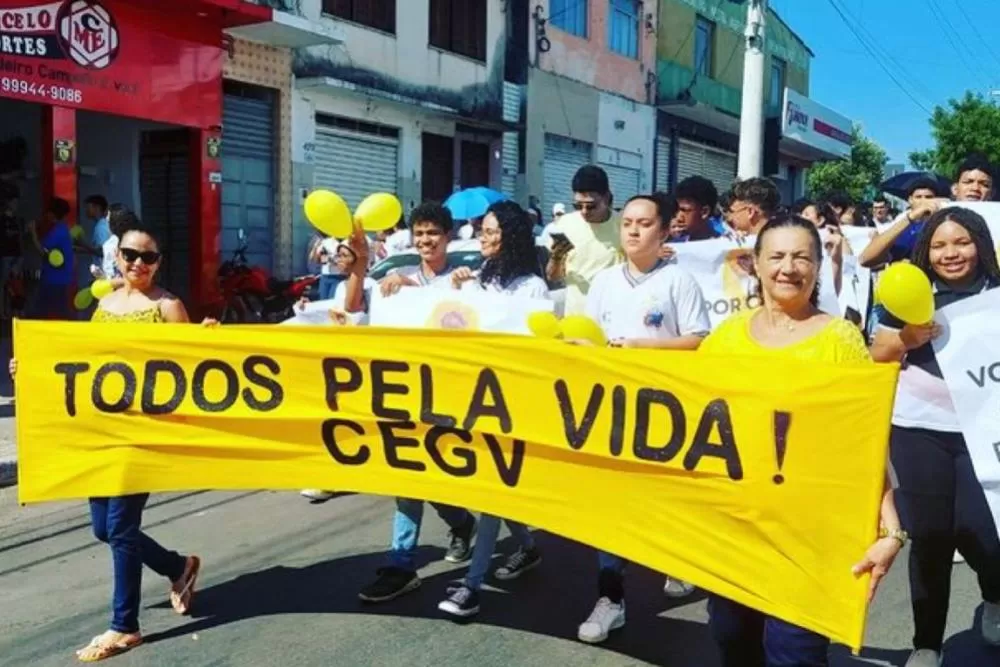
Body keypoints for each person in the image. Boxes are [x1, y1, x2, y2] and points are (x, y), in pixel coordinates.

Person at [699, 213, 905, 666]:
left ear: (817, 265)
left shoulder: (840, 340)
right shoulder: (725, 338)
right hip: (733, 530)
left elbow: (865, 443)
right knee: (733, 643)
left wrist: (890, 528)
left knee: (795, 655)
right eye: (776, 256)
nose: (788, 268)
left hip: (809, 539)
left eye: (801, 257)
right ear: (754, 263)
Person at [9, 221, 203, 662]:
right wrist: (33, 369)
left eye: (148, 257)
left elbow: (196, 367)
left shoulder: (169, 306)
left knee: (118, 527)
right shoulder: (105, 306)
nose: (138, 264)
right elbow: (82, 362)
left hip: (144, 433)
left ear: (159, 263)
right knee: (105, 528)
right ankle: (179, 566)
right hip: (103, 431)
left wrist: (208, 338)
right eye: (131, 255)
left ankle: (124, 626)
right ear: (117, 257)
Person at [574, 193, 712, 644]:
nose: (634, 230)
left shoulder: (679, 281)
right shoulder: (605, 282)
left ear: (665, 230)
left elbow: (698, 341)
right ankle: (610, 599)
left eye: (644, 223)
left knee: (666, 499)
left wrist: (641, 348)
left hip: (667, 413)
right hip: (612, 412)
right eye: (628, 223)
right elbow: (587, 340)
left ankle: (679, 557)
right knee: (610, 507)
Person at [870, 207, 1000, 667]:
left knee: (983, 532)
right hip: (917, 427)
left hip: (982, 430)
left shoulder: (997, 292)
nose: (951, 253)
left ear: (980, 245)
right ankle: (927, 641)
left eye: (961, 242)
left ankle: (994, 594)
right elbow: (877, 352)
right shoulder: (910, 292)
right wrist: (907, 337)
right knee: (928, 535)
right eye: (940, 245)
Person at [343, 203, 479, 603]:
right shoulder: (396, 279)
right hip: (404, 396)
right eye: (419, 233)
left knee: (429, 472)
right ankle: (402, 562)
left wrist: (455, 289)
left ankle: (460, 522)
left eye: (433, 233)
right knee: (407, 476)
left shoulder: (465, 279)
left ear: (448, 237)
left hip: (449, 397)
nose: (425, 241)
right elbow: (353, 309)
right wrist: (373, 276)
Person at [437, 201, 548, 618]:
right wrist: (456, 290)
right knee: (495, 489)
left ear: (512, 236)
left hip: (512, 403)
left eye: (490, 231)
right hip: (472, 399)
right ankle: (529, 546)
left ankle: (472, 583)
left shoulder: (530, 289)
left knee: (491, 491)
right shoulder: (476, 280)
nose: (481, 237)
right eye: (481, 230)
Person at [299, 240, 378, 503]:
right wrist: (307, 310)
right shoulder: (341, 285)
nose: (338, 259)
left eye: (345, 255)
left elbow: (354, 313)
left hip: (365, 363)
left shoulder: (371, 286)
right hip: (342, 361)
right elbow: (335, 315)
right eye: (338, 255)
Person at [546, 165, 622, 315]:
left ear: (606, 198)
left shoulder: (623, 225)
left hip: (612, 314)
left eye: (591, 206)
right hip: (575, 316)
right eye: (577, 205)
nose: (584, 212)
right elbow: (553, 277)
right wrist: (556, 257)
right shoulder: (565, 224)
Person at [858, 178, 943, 269]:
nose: (924, 201)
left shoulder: (944, 226)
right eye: (918, 197)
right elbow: (865, 259)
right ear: (910, 200)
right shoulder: (903, 228)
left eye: (929, 197)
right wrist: (910, 218)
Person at [27, 197, 75, 320]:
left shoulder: (57, 231)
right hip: (60, 277)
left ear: (52, 214)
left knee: (42, 310)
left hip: (53, 278)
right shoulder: (63, 229)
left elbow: (42, 251)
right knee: (57, 309)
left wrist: (33, 232)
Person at [671, 175, 728, 241]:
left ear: (704, 212)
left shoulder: (725, 245)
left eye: (685, 210)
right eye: (676, 210)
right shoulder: (673, 246)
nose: (678, 218)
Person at [90, 205, 130, 286]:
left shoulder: (110, 244)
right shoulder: (136, 238)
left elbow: (110, 274)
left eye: (108, 220)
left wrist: (103, 278)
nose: (106, 222)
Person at [0, 182, 22, 319]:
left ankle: (13, 310)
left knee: (14, 284)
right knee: (3, 284)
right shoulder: (2, 219)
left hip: (16, 255)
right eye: (13, 202)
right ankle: (2, 311)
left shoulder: (17, 219)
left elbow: (19, 237)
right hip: (5, 255)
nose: (15, 204)